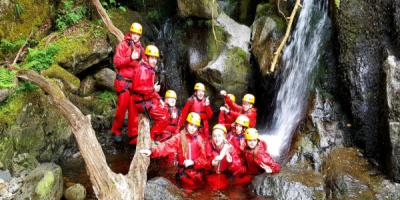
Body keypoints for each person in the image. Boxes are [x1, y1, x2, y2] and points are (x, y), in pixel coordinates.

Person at [140, 112, 208, 190]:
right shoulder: (179, 137)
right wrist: (151, 151)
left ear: (198, 128)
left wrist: (193, 162)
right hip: (184, 175)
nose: (193, 128)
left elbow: (204, 160)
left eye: (195, 126)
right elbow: (166, 146)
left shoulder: (200, 139)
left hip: (197, 175)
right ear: (186, 124)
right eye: (191, 125)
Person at [111, 22, 146, 142]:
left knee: (133, 111)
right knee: (121, 109)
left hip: (135, 85)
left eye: (137, 34)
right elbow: (117, 62)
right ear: (130, 33)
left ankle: (133, 135)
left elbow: (144, 66)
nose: (135, 36)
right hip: (124, 83)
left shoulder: (141, 49)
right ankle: (116, 131)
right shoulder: (123, 46)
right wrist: (130, 58)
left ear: (140, 36)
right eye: (133, 33)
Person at [130, 45, 169, 144]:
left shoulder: (148, 68)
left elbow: (150, 90)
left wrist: (160, 99)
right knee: (164, 117)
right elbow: (137, 88)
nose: (154, 61)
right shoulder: (143, 69)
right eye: (152, 58)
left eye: (155, 58)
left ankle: (155, 134)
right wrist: (153, 89)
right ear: (146, 57)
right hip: (142, 102)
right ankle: (151, 138)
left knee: (165, 108)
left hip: (146, 99)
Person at [204, 124, 244, 190]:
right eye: (214, 136)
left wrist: (230, 162)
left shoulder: (230, 147)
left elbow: (238, 166)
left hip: (225, 176)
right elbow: (203, 162)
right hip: (211, 174)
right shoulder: (208, 145)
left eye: (219, 136)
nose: (217, 139)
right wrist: (211, 163)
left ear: (224, 137)